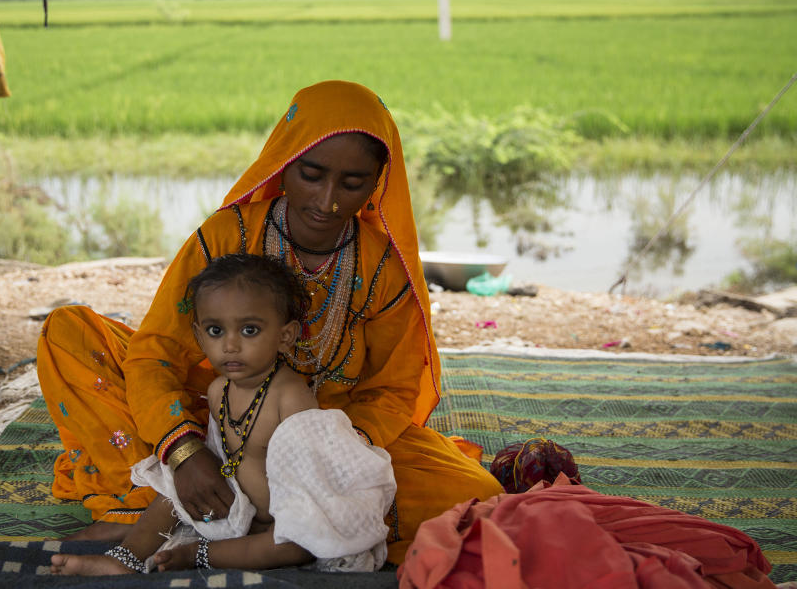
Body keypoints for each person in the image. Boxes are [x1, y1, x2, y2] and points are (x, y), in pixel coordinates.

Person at [37, 79, 504, 565]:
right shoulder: (226, 234)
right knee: (69, 333)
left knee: (476, 496)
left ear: (377, 181)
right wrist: (185, 451)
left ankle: (221, 516)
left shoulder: (383, 267)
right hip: (215, 410)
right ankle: (160, 503)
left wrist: (317, 461)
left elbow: (392, 389)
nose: (327, 202)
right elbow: (157, 352)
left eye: (351, 183)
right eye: (311, 174)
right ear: (284, 163)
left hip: (328, 427)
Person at [50, 253, 395, 574]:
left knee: (296, 547)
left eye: (249, 330)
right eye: (216, 331)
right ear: (199, 335)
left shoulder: (289, 396)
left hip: (286, 519)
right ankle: (124, 559)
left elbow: (314, 478)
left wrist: (293, 520)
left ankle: (195, 554)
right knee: (168, 492)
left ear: (286, 336)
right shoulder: (218, 390)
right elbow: (221, 454)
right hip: (237, 505)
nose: (230, 345)